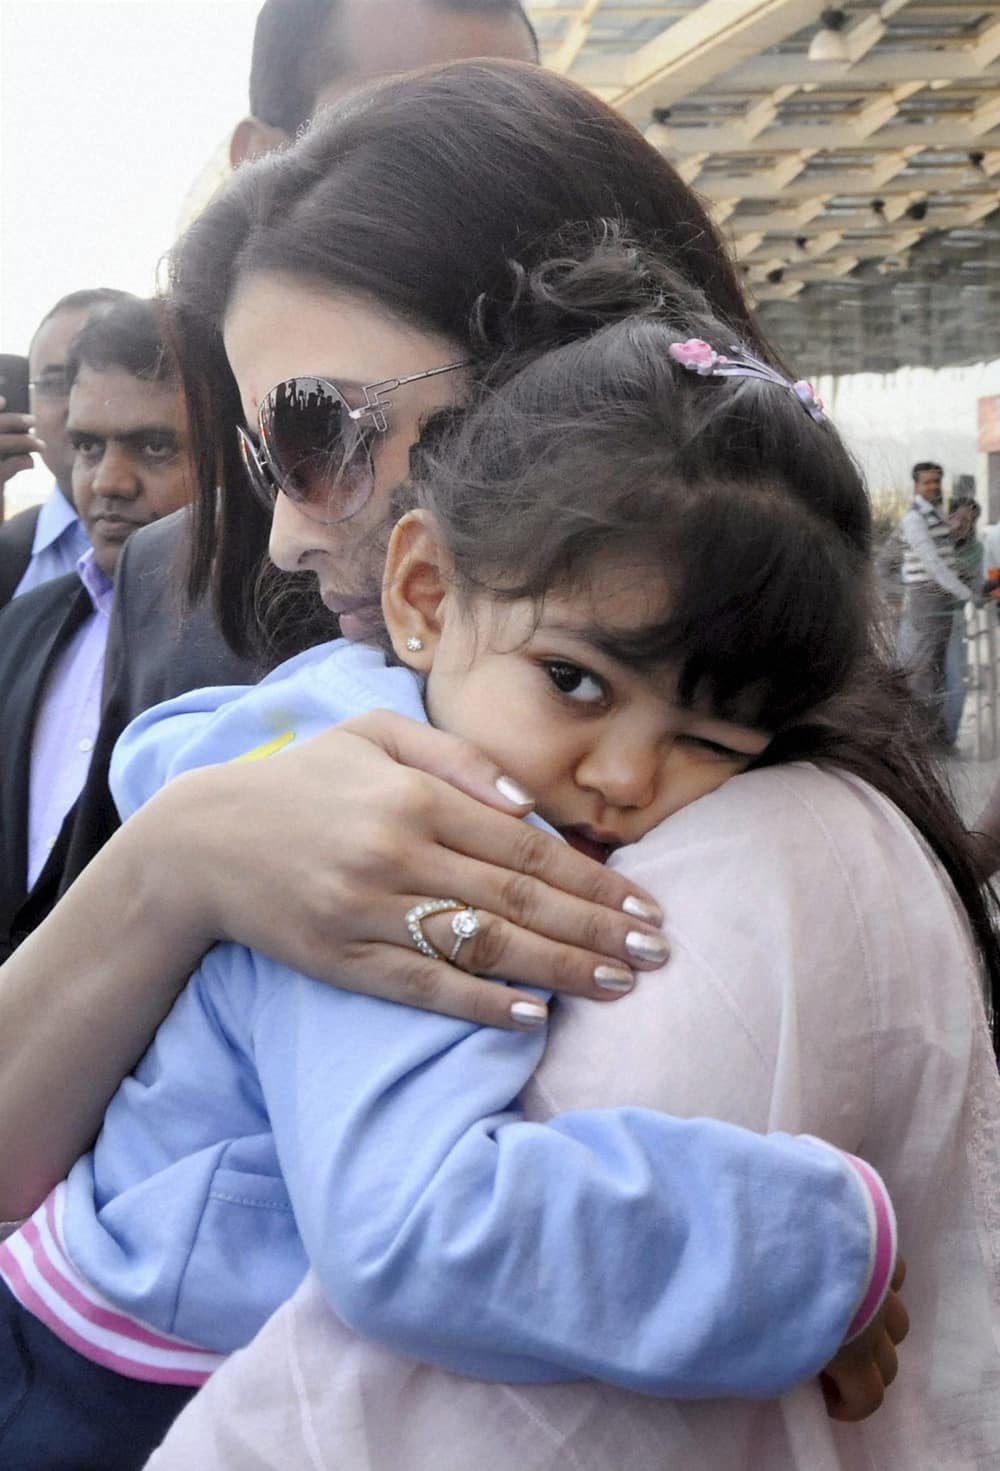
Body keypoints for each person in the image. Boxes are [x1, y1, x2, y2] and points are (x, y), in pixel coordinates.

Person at [0, 64, 994, 1458]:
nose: (285, 535)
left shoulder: (758, 855)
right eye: (264, 449)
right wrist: (177, 863)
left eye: (319, 430)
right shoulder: (375, 773)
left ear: (562, 393)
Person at [5, 0, 541, 948]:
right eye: (294, 437)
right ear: (266, 162)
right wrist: (177, 862)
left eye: (520, 128)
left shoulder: (708, 562)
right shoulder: (170, 585)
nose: (486, 182)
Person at [0, 299, 195, 960]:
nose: (108, 481)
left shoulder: (263, 654)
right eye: (87, 446)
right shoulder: (24, 625)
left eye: (154, 445)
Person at [0, 288, 131, 608]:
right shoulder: (9, 556)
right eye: (56, 383)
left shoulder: (220, 548)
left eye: (100, 379)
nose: (78, 406)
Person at [896, 460, 973, 744]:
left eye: (936, 482)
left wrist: (956, 528)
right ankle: (918, 737)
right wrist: (966, 593)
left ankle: (935, 735)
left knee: (937, 669)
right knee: (923, 669)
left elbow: (944, 549)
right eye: (926, 482)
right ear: (916, 484)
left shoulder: (935, 514)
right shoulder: (914, 518)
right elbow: (933, 565)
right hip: (925, 600)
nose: (932, 487)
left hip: (939, 602)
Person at [942, 495, 985, 746]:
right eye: (959, 517)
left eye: (970, 520)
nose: (964, 524)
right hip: (922, 619)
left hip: (954, 618)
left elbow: (973, 581)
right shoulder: (933, 540)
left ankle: (948, 738)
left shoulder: (976, 549)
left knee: (956, 681)